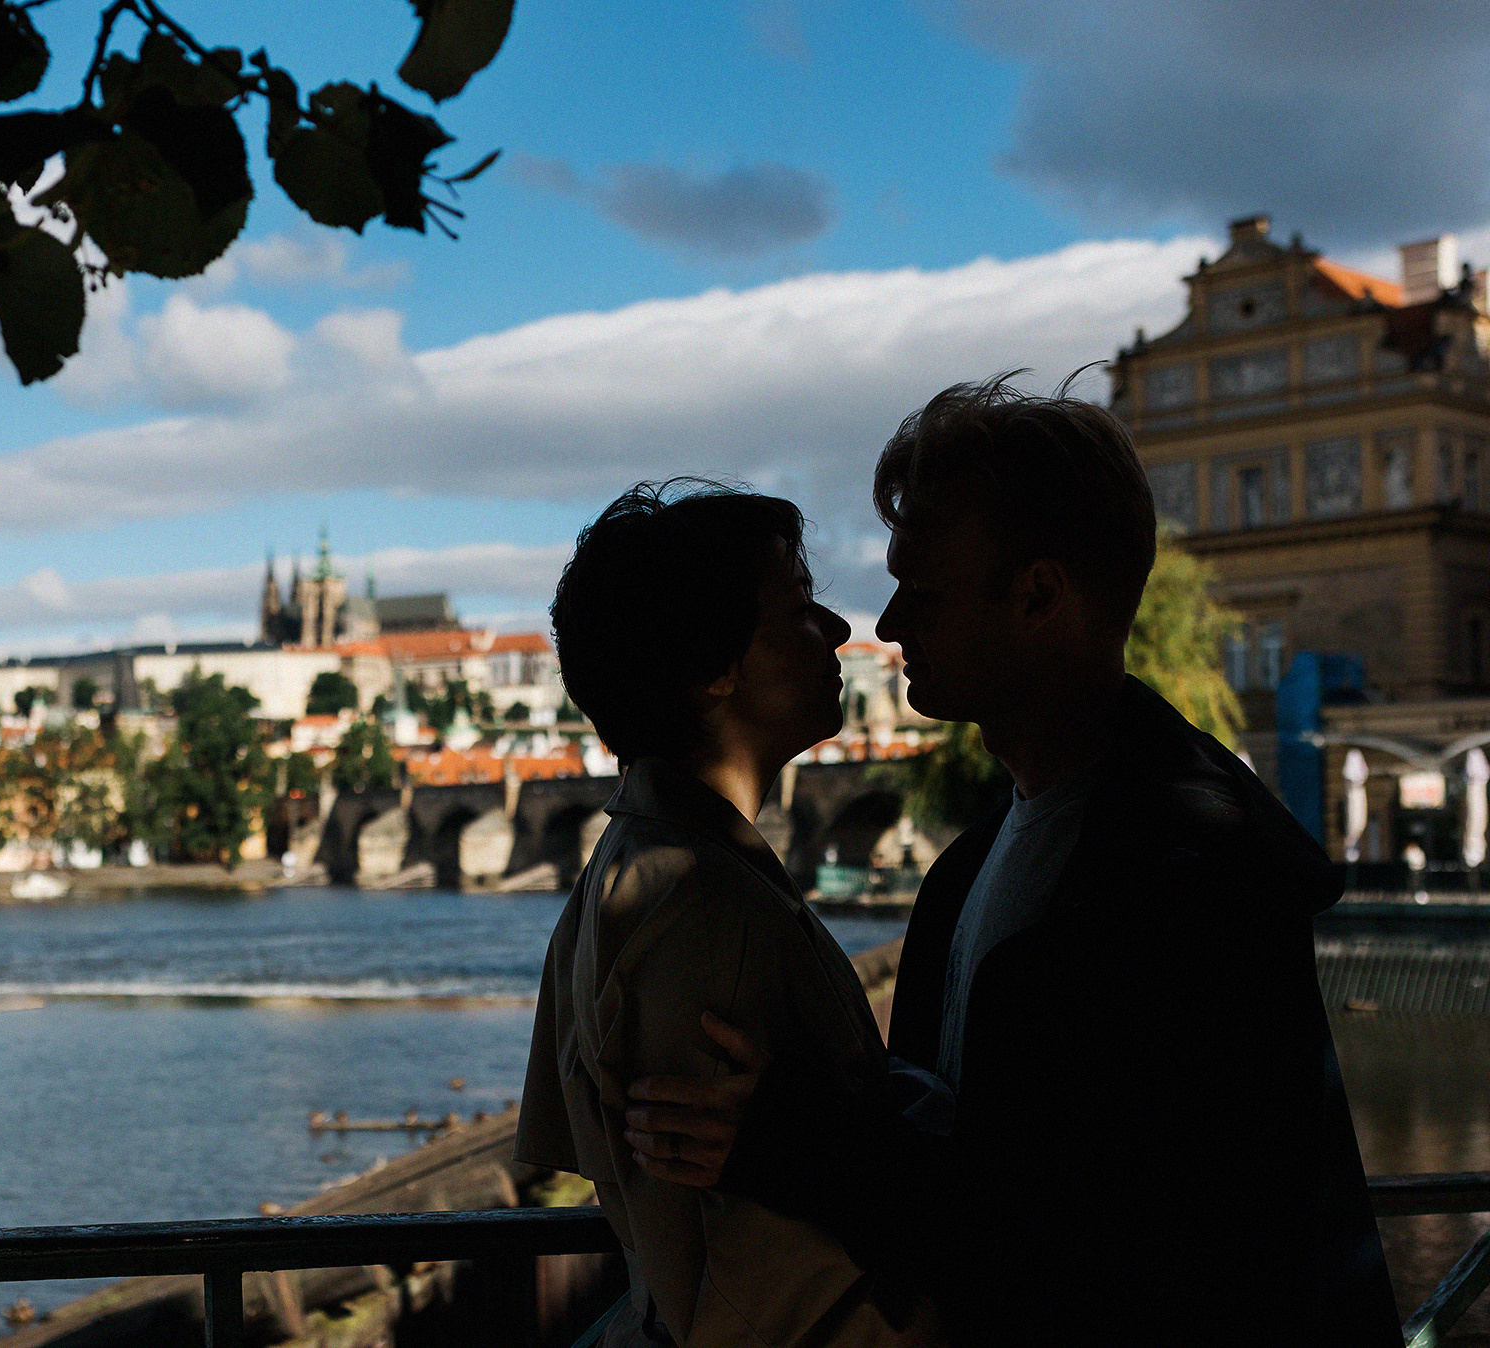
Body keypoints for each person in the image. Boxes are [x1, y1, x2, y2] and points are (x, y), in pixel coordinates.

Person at [620, 379, 1399, 1347]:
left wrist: (791, 1139)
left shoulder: (1186, 875)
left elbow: (1078, 1247)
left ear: (1037, 595)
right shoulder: (982, 861)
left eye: (924, 588)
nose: (888, 623)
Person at [515, 480, 941, 1347]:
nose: (839, 632)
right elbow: (727, 1283)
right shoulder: (697, 898)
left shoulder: (642, 864)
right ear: (711, 671)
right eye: (798, 610)